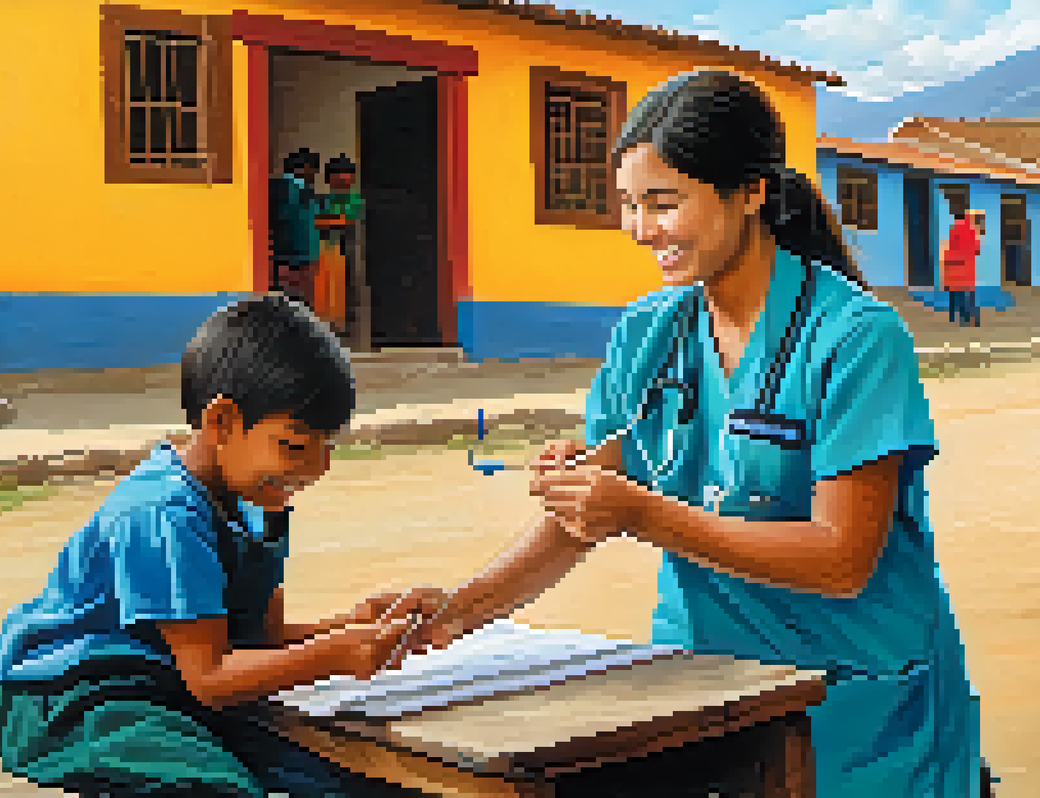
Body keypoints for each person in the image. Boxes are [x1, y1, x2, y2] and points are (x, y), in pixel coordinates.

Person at [413, 70, 989, 797]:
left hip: (855, 707)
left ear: (750, 192)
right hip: (703, 690)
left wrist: (642, 514)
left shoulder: (855, 338)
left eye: (663, 203)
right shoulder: (649, 335)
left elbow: (841, 558)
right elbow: (583, 516)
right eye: (628, 205)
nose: (640, 230)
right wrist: (457, 612)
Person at [0, 296, 441, 797]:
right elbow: (210, 675)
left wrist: (354, 624)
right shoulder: (163, 514)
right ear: (222, 422)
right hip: (77, 702)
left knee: (356, 780)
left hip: (172, 688)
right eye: (294, 445)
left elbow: (259, 642)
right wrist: (335, 655)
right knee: (216, 789)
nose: (315, 468)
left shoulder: (254, 503)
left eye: (326, 447)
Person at [314, 154, 364, 335]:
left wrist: (325, 221)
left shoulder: (355, 200)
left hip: (348, 250)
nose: (342, 179)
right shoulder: (323, 199)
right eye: (337, 175)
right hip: (326, 251)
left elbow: (347, 221)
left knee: (346, 291)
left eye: (346, 174)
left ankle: (343, 326)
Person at [271, 149, 323, 308]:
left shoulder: (300, 190)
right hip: (293, 258)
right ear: (304, 168)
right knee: (296, 305)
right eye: (313, 170)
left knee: (296, 305)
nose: (314, 175)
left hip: (296, 257)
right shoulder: (290, 189)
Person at [941, 208, 983, 327]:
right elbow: (977, 249)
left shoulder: (955, 230)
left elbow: (951, 248)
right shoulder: (972, 231)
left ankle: (957, 317)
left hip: (956, 270)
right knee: (968, 295)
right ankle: (971, 319)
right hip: (967, 269)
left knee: (957, 296)